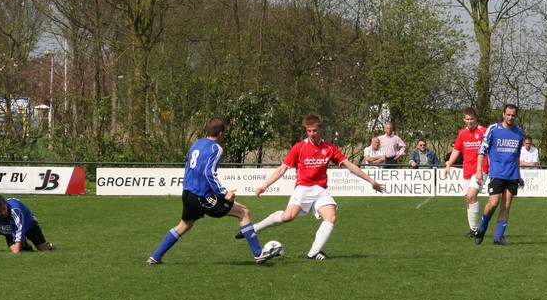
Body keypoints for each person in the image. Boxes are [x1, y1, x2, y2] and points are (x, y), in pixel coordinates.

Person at [246, 113, 386, 259]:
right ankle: (255, 228)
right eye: (309, 131)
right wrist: (264, 186)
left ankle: (313, 252)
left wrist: (371, 181)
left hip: (320, 190)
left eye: (314, 130)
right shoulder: (299, 147)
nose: (312, 134)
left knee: (331, 217)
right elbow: (282, 169)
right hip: (303, 188)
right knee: (287, 217)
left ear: (321, 130)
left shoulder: (329, 148)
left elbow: (349, 165)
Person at [148, 116, 278, 265]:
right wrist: (224, 192)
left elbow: (191, 167)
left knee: (185, 224)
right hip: (201, 196)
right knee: (244, 212)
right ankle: (258, 254)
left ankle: (155, 257)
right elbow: (208, 173)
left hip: (187, 193)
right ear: (221, 133)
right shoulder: (216, 148)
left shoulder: (197, 143)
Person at [474, 103, 527, 246]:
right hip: (497, 172)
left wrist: (519, 175)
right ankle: (482, 229)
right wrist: (479, 169)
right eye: (508, 114)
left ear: (516, 116)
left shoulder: (520, 132)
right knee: (493, 203)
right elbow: (482, 150)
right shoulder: (493, 129)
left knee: (506, 205)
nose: (510, 117)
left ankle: (498, 237)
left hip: (512, 174)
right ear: (503, 114)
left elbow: (517, 155)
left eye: (513, 115)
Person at [444, 107, 488, 237]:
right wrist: (449, 165)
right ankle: (473, 229)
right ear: (464, 119)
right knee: (468, 200)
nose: (469, 121)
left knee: (471, 196)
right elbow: (457, 150)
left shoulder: (483, 131)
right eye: (467, 119)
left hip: (480, 169)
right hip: (467, 170)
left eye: (472, 119)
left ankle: (476, 230)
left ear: (476, 119)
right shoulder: (462, 133)